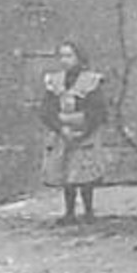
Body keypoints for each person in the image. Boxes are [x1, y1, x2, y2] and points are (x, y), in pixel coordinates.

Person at [40, 42, 109, 225]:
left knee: (85, 174)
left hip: (85, 131)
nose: (65, 60)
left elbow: (98, 111)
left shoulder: (91, 81)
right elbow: (46, 110)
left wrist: (84, 130)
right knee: (66, 173)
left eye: (69, 56)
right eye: (61, 56)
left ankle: (88, 210)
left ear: (79, 58)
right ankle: (69, 212)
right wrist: (60, 127)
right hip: (62, 132)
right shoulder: (54, 81)